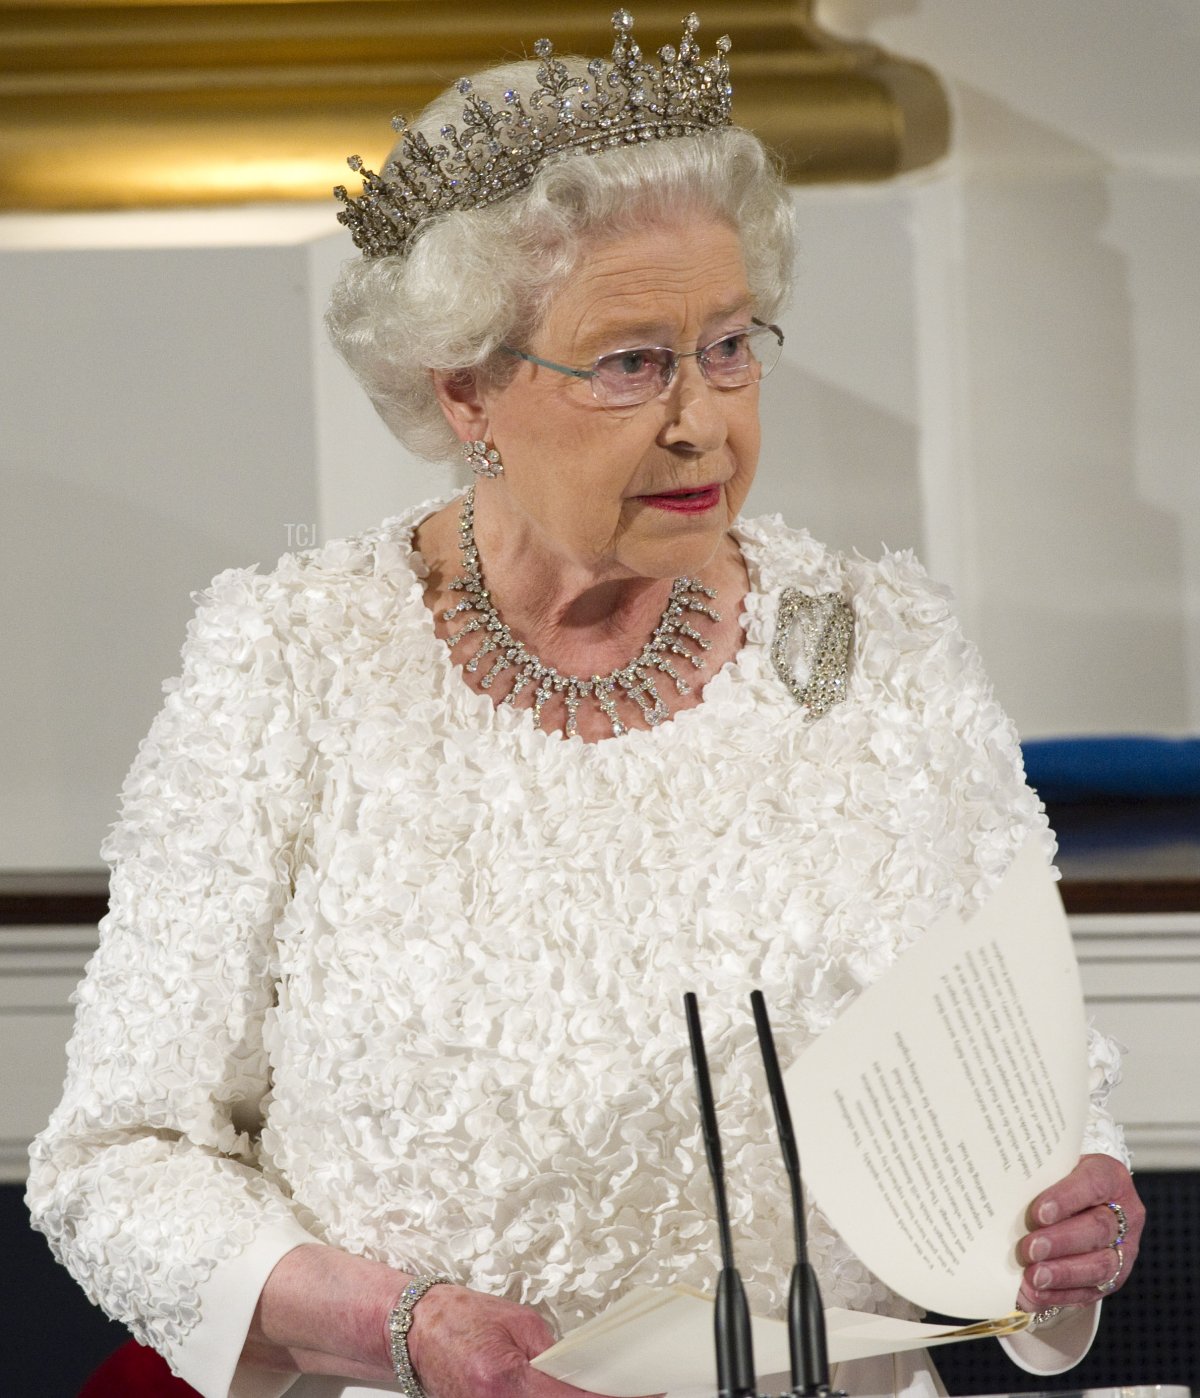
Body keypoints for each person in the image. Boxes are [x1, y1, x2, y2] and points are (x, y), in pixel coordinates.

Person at [28, 10, 1144, 1398]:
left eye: (731, 346)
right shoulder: (289, 660)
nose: (702, 421)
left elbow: (1025, 1077)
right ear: (466, 387)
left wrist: (1069, 1211)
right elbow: (115, 1158)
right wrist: (402, 1325)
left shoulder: (883, 645)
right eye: (632, 362)